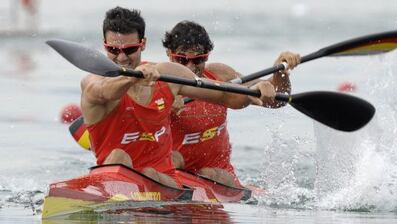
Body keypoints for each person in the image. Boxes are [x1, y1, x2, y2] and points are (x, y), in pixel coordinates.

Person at [81, 7, 281, 188]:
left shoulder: (168, 75)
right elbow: (105, 91)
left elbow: (226, 96)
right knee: (118, 157)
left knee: (149, 172)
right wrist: (131, 80)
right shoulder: (92, 82)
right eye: (114, 50)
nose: (122, 58)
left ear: (143, 44)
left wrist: (255, 90)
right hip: (116, 177)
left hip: (164, 184)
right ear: (104, 46)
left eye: (130, 49)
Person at [163, 21, 300, 187]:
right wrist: (161, 104)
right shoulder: (158, 81)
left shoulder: (221, 75)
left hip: (219, 178)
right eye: (182, 60)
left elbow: (278, 99)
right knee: (174, 159)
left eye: (198, 59)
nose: (190, 68)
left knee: (209, 173)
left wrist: (280, 74)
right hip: (173, 175)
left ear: (207, 56)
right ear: (169, 55)